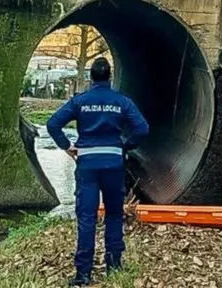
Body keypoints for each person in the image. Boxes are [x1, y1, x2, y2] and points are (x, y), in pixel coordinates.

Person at [47, 57, 149, 285]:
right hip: (113, 164)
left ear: (91, 78)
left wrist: (67, 146)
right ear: (110, 77)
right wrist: (125, 145)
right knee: (113, 214)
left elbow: (53, 124)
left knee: (87, 218)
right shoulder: (121, 101)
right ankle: (114, 266)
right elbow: (142, 128)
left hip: (87, 165)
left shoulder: (80, 101)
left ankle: (83, 274)